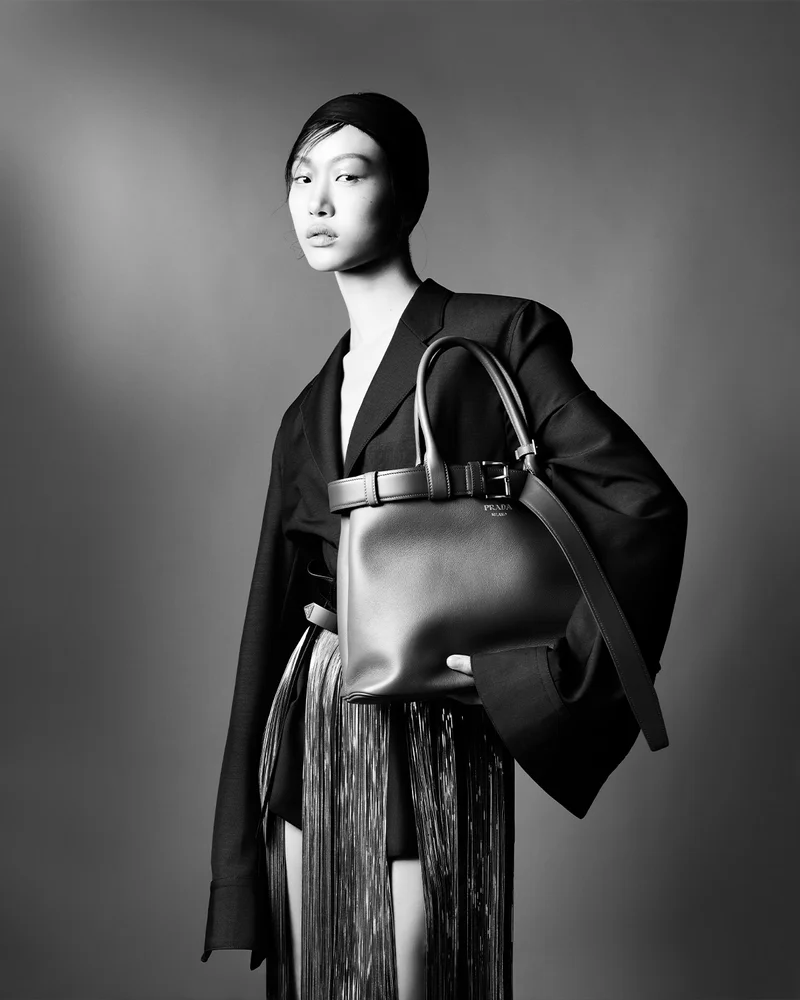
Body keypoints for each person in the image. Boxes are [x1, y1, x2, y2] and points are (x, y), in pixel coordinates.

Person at [201, 92, 689, 1000]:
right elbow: (266, 628)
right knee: (318, 974)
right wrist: (237, 861)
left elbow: (640, 506)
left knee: (421, 969)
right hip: (314, 721)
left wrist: (527, 678)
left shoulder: (494, 337)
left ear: (407, 194)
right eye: (301, 179)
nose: (318, 202)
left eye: (349, 176)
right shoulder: (305, 414)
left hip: (431, 726)